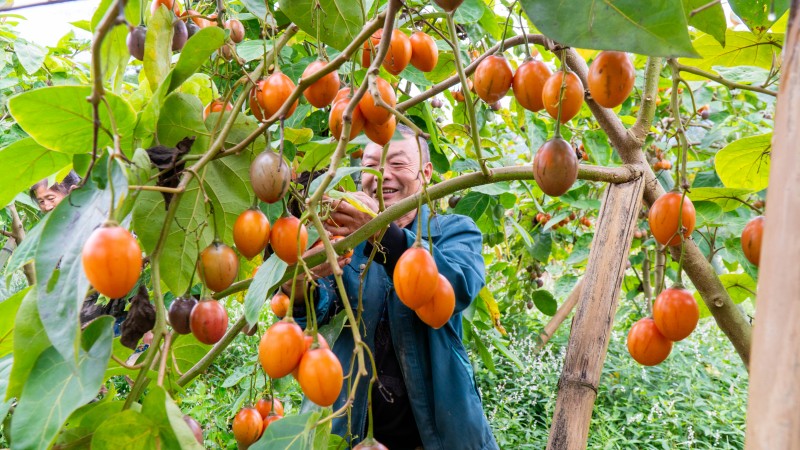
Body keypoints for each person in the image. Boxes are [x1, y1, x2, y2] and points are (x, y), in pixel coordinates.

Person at [285, 125, 498, 449]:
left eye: (396, 163)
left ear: (426, 173)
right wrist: (298, 284)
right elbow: (314, 313)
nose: (381, 175)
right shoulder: (340, 240)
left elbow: (457, 285)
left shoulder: (452, 231)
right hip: (346, 434)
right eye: (370, 165)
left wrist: (380, 231)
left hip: (440, 437)